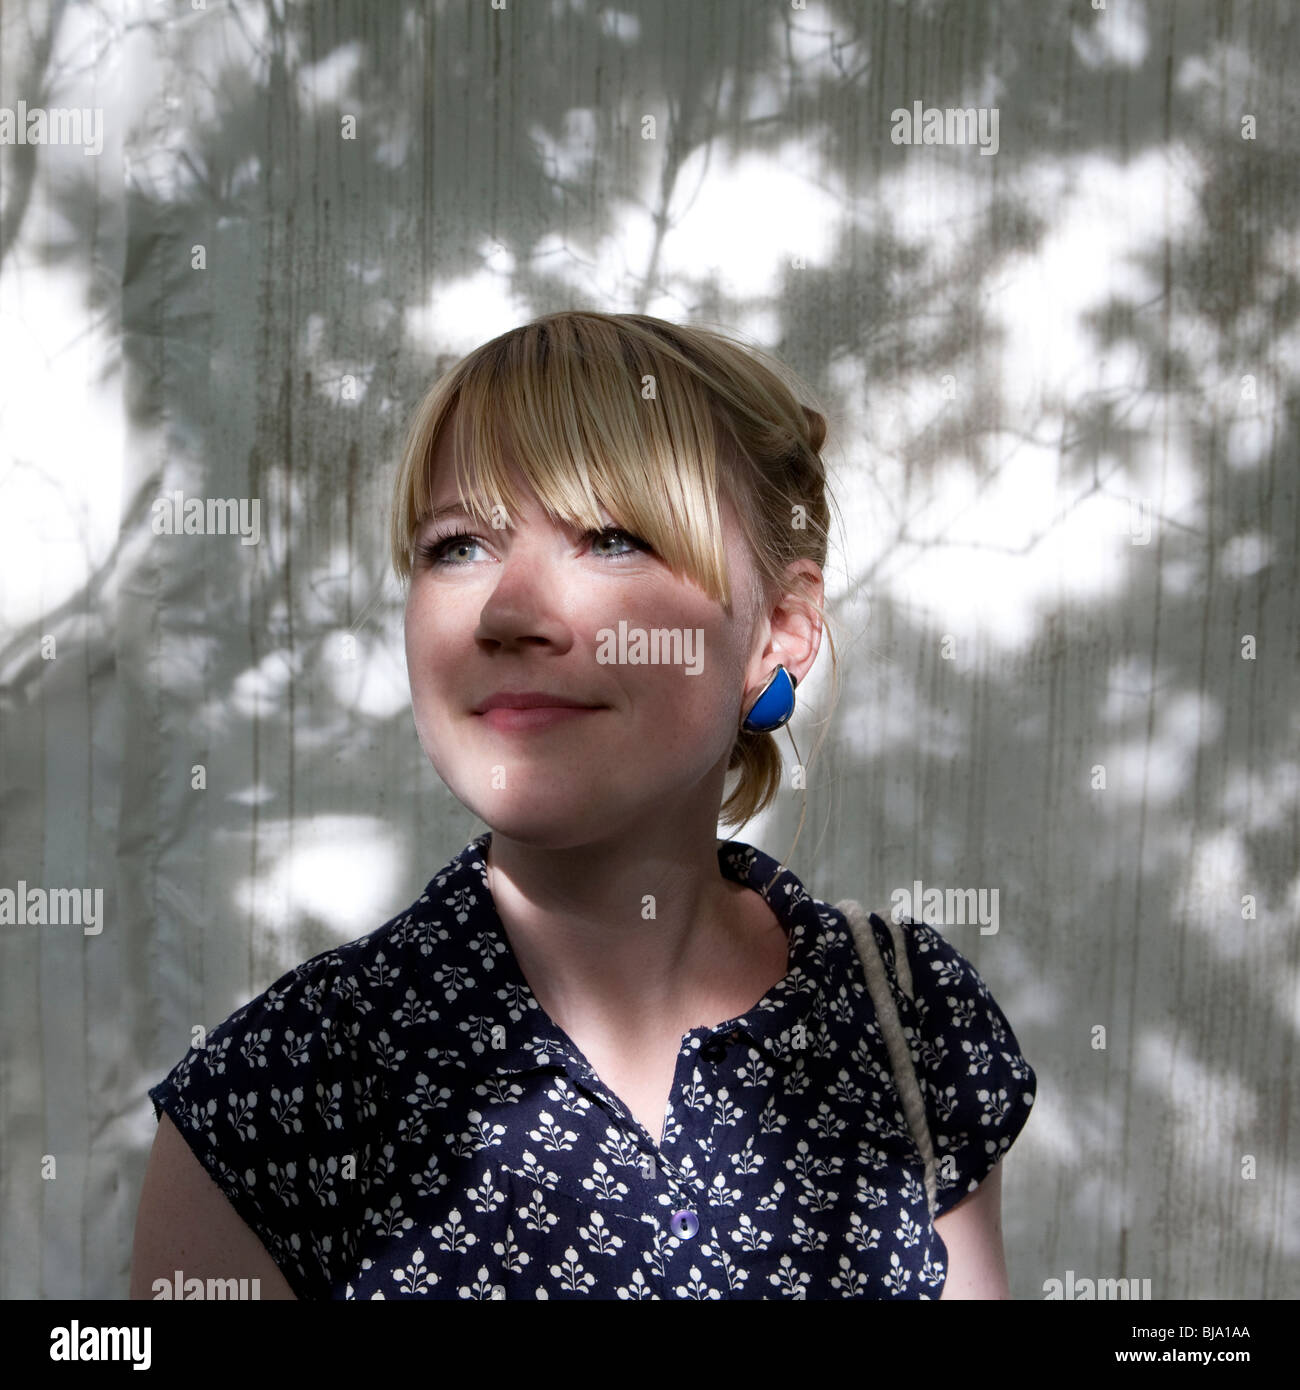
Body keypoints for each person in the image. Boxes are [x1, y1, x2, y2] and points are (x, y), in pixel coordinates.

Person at [131, 309, 1035, 1300]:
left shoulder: (905, 1016)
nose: (510, 611)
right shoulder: (279, 1095)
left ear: (776, 630)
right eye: (456, 545)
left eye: (609, 537)